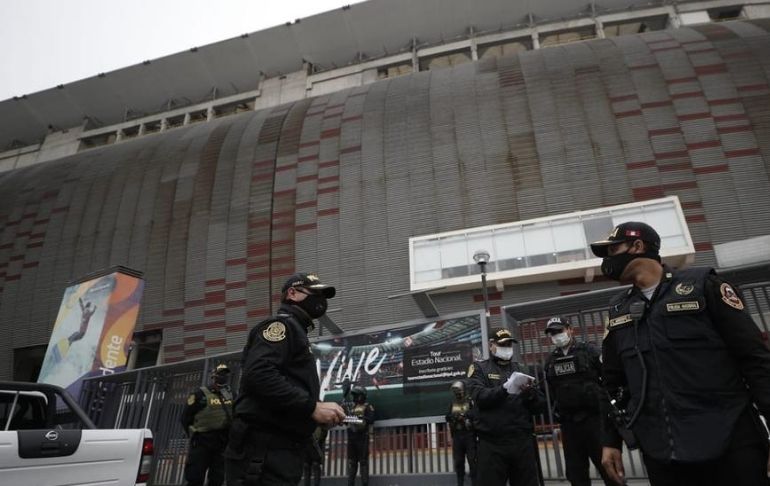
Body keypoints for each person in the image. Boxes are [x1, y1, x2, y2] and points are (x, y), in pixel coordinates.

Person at [591, 221, 770, 486]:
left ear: (637, 246)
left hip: (730, 443)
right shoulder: (618, 310)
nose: (607, 260)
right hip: (662, 452)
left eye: (612, 250)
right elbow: (614, 384)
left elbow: (755, 361)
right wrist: (610, 441)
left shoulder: (704, 286)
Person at [225, 273, 346, 486]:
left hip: (280, 450)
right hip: (263, 453)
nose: (321, 301)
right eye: (315, 293)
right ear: (292, 293)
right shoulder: (281, 327)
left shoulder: (297, 331)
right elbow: (260, 374)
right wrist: (311, 408)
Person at [466, 327, 545, 486]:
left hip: (521, 441)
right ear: (491, 345)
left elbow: (540, 406)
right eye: (502, 344)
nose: (507, 348)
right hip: (492, 444)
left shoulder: (521, 369)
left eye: (509, 344)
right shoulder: (479, 368)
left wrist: (530, 394)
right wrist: (504, 389)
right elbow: (480, 397)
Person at [542, 316, 612, 486]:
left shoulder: (589, 351)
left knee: (608, 469)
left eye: (559, 331)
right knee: (576, 473)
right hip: (569, 424)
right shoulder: (551, 361)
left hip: (595, 420)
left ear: (570, 329)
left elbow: (608, 379)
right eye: (552, 333)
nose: (556, 335)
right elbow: (551, 392)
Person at [180, 364, 234, 486]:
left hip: (222, 442)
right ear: (213, 375)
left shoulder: (231, 395)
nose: (223, 376)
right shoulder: (200, 394)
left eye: (225, 374)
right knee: (195, 476)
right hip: (202, 441)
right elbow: (185, 418)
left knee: (217, 477)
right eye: (220, 373)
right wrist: (194, 435)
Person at [445, 380, 477, 486]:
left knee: (472, 461)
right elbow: (448, 418)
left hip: (469, 435)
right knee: (458, 462)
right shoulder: (452, 403)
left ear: (463, 390)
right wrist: (450, 436)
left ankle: (475, 482)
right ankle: (460, 483)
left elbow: (475, 417)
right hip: (457, 436)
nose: (457, 393)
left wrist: (466, 417)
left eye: (458, 390)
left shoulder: (470, 402)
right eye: (455, 391)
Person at [346, 386, 375, 486]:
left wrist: (360, 418)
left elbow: (371, 420)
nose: (354, 397)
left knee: (363, 462)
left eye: (356, 395)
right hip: (352, 438)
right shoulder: (352, 408)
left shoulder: (368, 406)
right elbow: (346, 422)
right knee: (352, 463)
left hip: (362, 438)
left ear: (361, 396)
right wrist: (347, 417)